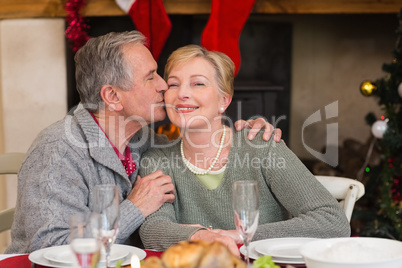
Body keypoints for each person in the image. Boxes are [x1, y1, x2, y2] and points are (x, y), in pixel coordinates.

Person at [5, 31, 282, 254]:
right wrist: (134, 209)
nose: (164, 86)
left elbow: (198, 146)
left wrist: (244, 135)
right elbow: (52, 248)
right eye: (151, 77)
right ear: (112, 96)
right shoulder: (57, 150)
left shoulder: (144, 140)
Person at [138, 45, 351, 256]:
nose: (182, 93)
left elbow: (332, 221)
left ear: (224, 100)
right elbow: (153, 229)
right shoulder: (157, 159)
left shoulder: (262, 145)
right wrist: (202, 236)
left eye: (198, 83)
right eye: (174, 84)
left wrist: (240, 235)